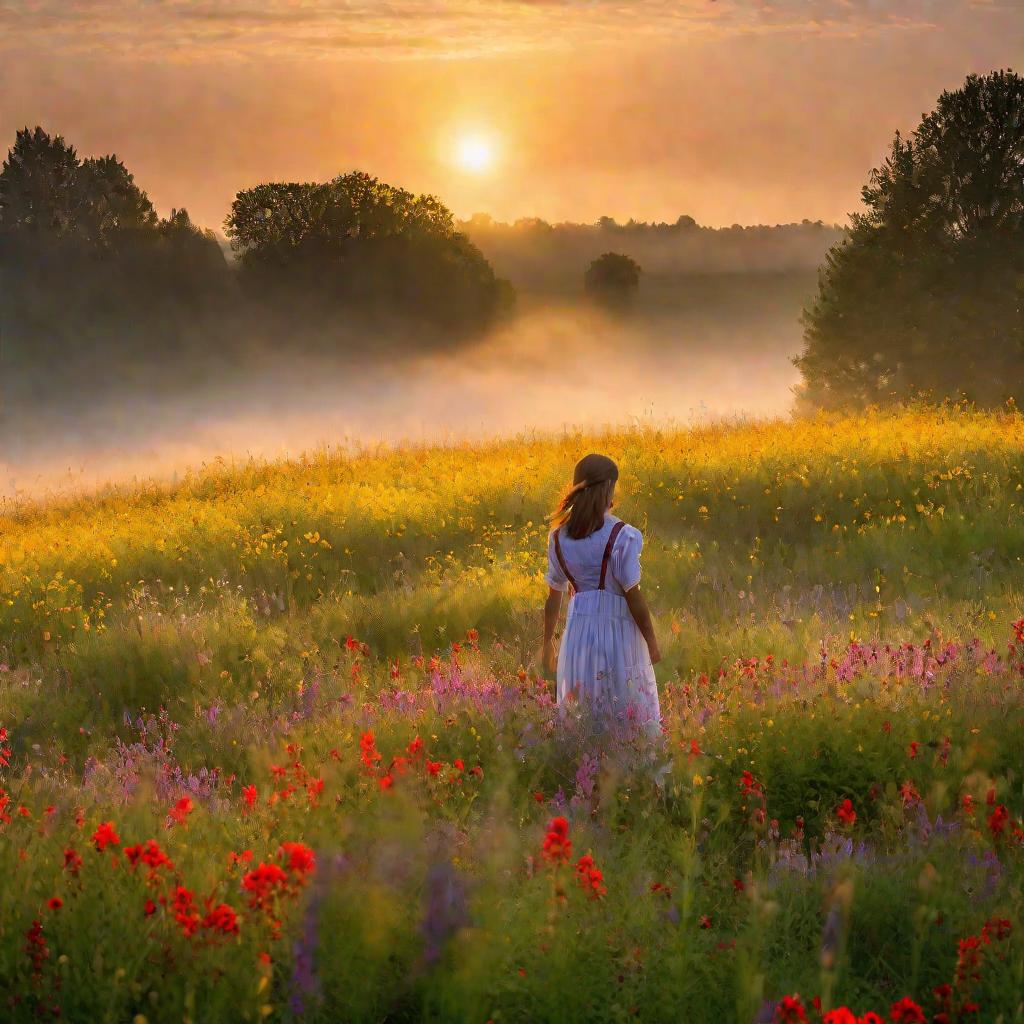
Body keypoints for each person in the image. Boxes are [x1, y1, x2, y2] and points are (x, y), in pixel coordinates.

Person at [541, 453, 662, 739]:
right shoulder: (621, 535)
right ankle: (628, 771)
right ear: (606, 489)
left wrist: (548, 642)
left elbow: (553, 597)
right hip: (618, 632)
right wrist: (652, 641)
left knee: (585, 701)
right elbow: (634, 598)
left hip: (579, 634)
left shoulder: (560, 538)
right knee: (623, 698)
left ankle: (587, 770)